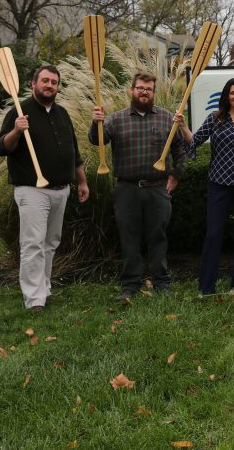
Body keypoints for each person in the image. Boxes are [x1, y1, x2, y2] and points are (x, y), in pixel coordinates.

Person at [0, 64, 89, 311]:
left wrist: (82, 180)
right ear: (33, 84)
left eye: (54, 82)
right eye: (45, 81)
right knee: (33, 244)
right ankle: (34, 299)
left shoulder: (62, 113)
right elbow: (2, 147)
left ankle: (43, 288)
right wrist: (17, 129)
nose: (49, 86)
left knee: (50, 243)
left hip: (61, 189)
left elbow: (74, 152)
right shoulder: (20, 111)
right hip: (32, 190)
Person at [91, 72, 185, 301]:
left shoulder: (166, 118)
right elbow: (98, 141)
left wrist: (176, 175)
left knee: (158, 236)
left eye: (149, 89)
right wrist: (96, 123)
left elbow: (179, 149)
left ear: (153, 92)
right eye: (140, 88)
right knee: (129, 238)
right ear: (132, 90)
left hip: (157, 188)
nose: (144, 92)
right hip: (126, 189)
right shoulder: (115, 119)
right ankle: (130, 285)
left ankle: (161, 283)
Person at [175, 77, 234, 295]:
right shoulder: (215, 119)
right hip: (219, 184)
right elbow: (195, 141)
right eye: (233, 92)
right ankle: (206, 287)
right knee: (213, 234)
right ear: (226, 96)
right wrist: (183, 126)